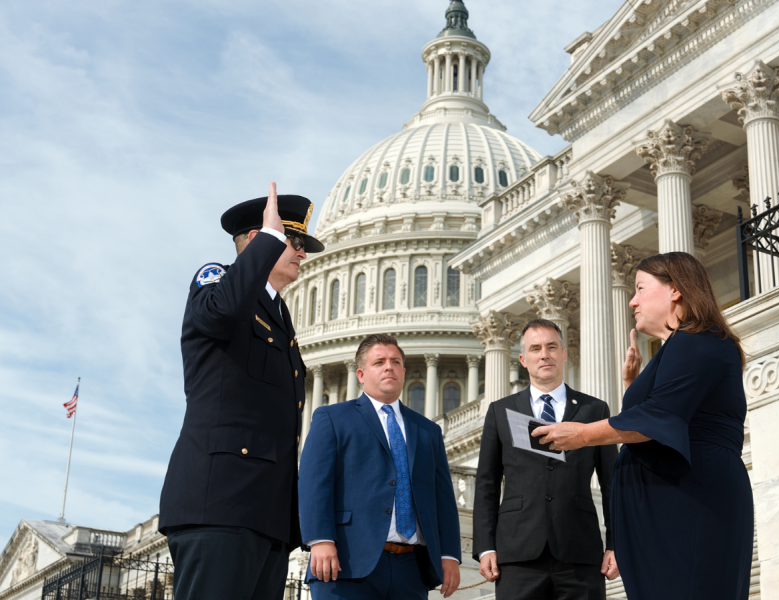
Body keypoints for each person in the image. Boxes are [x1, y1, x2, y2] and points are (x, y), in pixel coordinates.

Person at [533, 252, 754, 599]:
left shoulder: (698, 341)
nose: (632, 301)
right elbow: (660, 412)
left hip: (689, 499)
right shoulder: (682, 346)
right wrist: (633, 385)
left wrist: (583, 434)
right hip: (671, 500)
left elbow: (658, 419)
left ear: (675, 290)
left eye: (640, 288)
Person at [159, 183, 325, 600]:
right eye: (294, 240)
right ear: (256, 240)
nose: (302, 252)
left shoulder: (279, 318)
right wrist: (268, 242)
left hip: (263, 514)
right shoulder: (217, 281)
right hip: (220, 503)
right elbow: (220, 315)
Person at [299, 334, 461, 599]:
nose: (389, 367)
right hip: (346, 564)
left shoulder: (427, 430)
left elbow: (443, 497)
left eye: (396, 362)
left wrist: (450, 554)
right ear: (361, 374)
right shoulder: (333, 418)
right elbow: (313, 484)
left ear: (404, 371)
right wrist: (320, 540)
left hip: (411, 569)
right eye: (380, 362)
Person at [473, 318, 619, 599]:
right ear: (523, 359)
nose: (544, 354)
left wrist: (616, 544)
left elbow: (613, 482)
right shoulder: (500, 411)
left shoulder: (594, 409)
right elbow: (486, 484)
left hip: (579, 551)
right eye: (536, 348)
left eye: (552, 347)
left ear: (564, 353)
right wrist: (486, 546)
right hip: (517, 554)